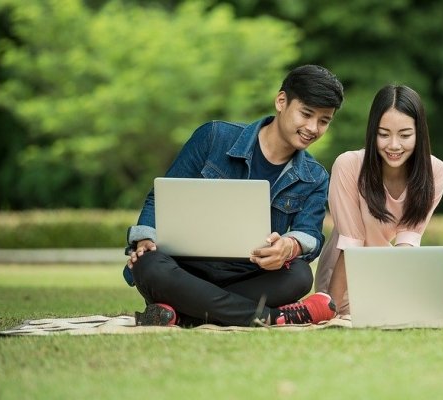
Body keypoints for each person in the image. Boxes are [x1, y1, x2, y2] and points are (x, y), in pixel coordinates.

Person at [124, 65, 344, 327]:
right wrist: (146, 239)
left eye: (324, 121)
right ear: (281, 101)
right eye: (306, 114)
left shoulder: (315, 176)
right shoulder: (213, 136)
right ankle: (273, 317)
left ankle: (182, 312)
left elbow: (309, 234)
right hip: (183, 269)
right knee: (148, 264)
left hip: (249, 275)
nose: (313, 127)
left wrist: (290, 246)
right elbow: (160, 198)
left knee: (298, 275)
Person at [314, 84, 443, 316]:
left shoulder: (434, 171)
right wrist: (332, 310)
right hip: (343, 275)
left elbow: (408, 243)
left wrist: (399, 295)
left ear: (419, 133)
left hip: (390, 268)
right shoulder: (349, 165)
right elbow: (350, 245)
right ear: (372, 132)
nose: (394, 145)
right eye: (383, 134)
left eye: (405, 135)